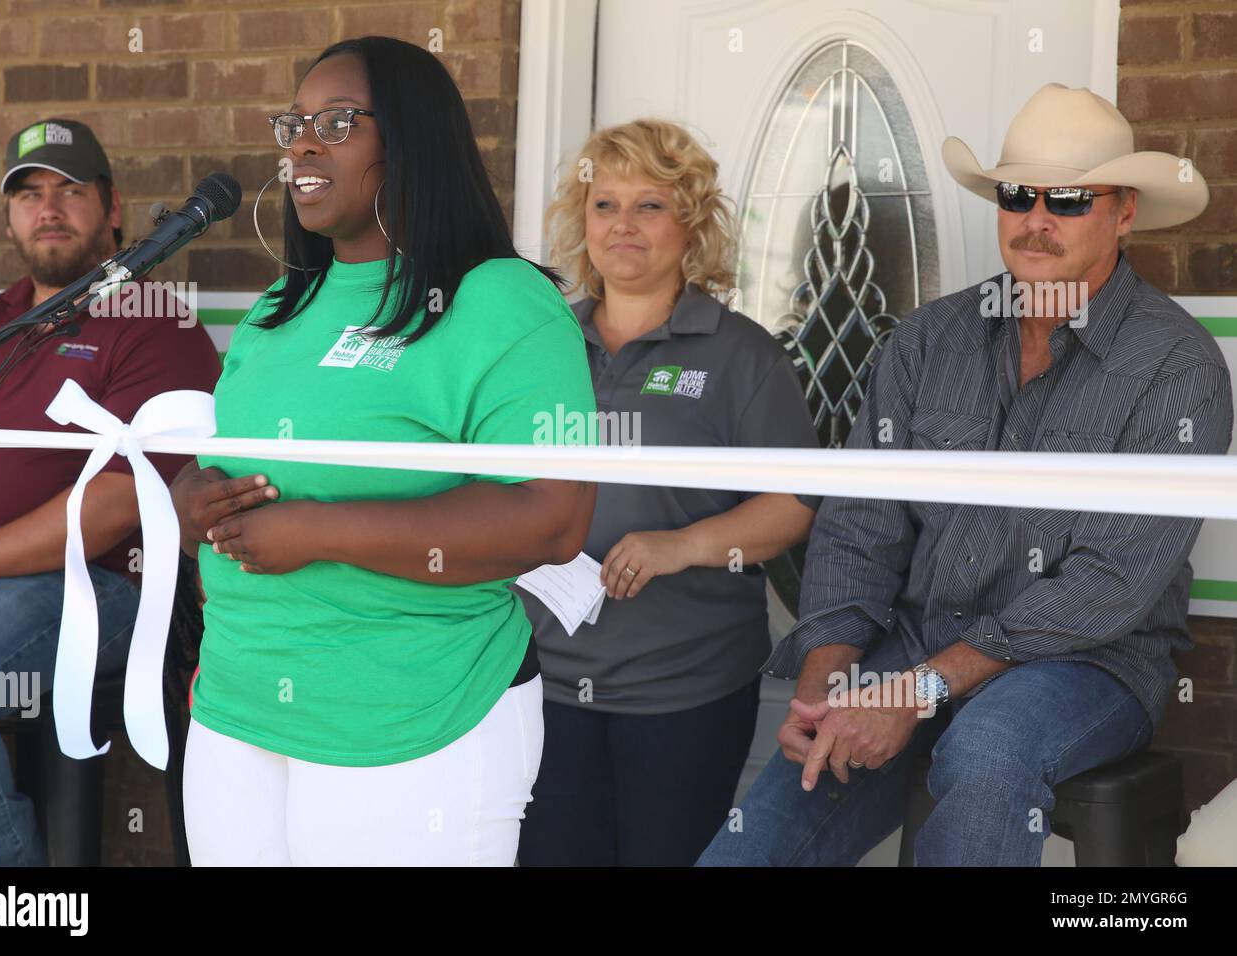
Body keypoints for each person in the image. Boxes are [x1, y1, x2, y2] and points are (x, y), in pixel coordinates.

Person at [699, 83, 1233, 867]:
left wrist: (919, 692)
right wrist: (826, 688)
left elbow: (1109, 584)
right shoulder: (928, 341)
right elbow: (859, 523)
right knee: (773, 817)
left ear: (1123, 213)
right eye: (1018, 194)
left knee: (987, 751)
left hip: (1086, 663)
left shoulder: (1176, 367)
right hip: (918, 641)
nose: (1036, 219)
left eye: (1069, 200)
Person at [171, 36, 597, 867]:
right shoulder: (275, 311)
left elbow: (551, 517)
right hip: (240, 707)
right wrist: (190, 499)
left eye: (336, 123)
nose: (301, 145)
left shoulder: (504, 301)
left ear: (410, 139)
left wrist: (320, 533)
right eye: (292, 124)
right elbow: (234, 469)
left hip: (415, 714)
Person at [515, 119, 819, 867]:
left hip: (684, 689)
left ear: (690, 225)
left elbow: (794, 502)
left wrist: (681, 546)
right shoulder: (541, 345)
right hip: (539, 679)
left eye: (649, 205)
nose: (623, 225)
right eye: (604, 204)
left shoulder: (741, 353)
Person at [0, 118, 221, 866]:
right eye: (29, 194)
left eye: (69, 190)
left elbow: (120, 503)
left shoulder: (155, 325)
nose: (49, 208)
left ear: (114, 206)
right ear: (8, 217)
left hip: (100, 585)